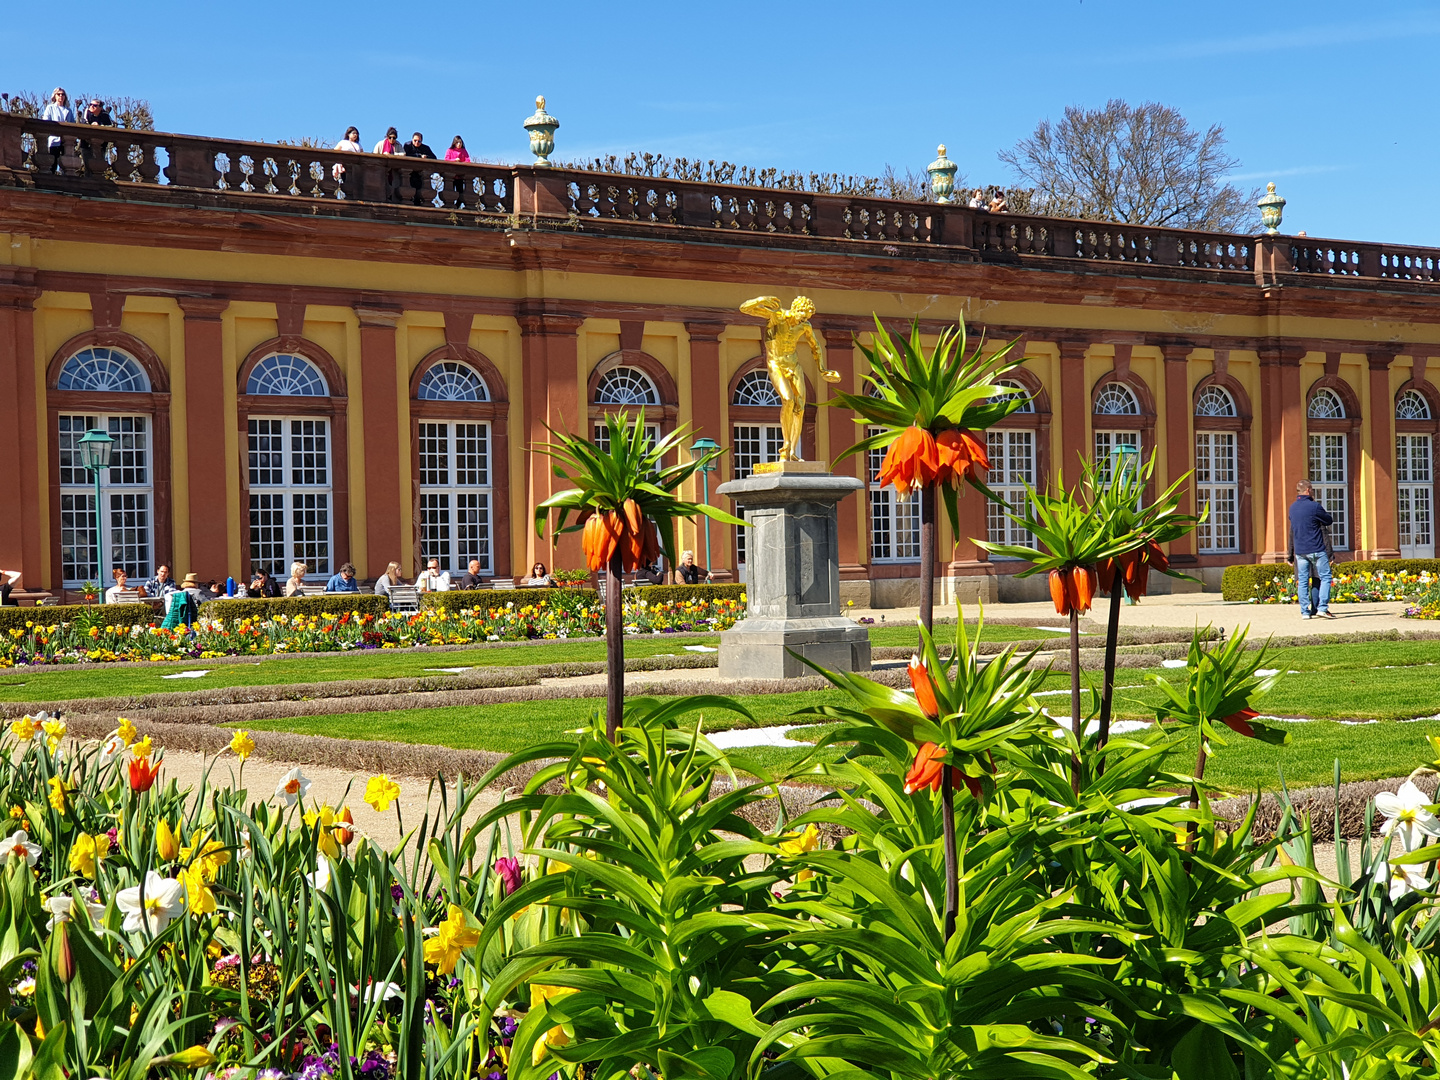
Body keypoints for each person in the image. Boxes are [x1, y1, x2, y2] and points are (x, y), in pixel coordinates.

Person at [1288, 479, 1335, 619]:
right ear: (1308, 490)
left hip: (1300, 551)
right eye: (1312, 489)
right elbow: (1328, 520)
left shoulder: (1292, 508)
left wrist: (1290, 554)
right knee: (1325, 577)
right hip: (1316, 549)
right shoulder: (1314, 506)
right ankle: (1322, 608)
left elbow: (1293, 529)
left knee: (1302, 581)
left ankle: (1304, 612)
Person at [41, 88, 74, 172]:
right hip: (54, 139)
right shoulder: (50, 108)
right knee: (53, 161)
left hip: (65, 140)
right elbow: (46, 121)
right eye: (58, 94)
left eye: (62, 94)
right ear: (54, 96)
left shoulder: (68, 110)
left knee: (66, 162)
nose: (61, 96)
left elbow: (72, 124)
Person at [402, 132, 436, 206]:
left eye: (419, 141)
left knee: (419, 191)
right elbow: (406, 155)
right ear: (412, 140)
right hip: (409, 173)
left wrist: (426, 157)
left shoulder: (425, 148)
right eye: (415, 140)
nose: (417, 142)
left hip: (420, 174)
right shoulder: (407, 145)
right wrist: (419, 156)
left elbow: (434, 158)